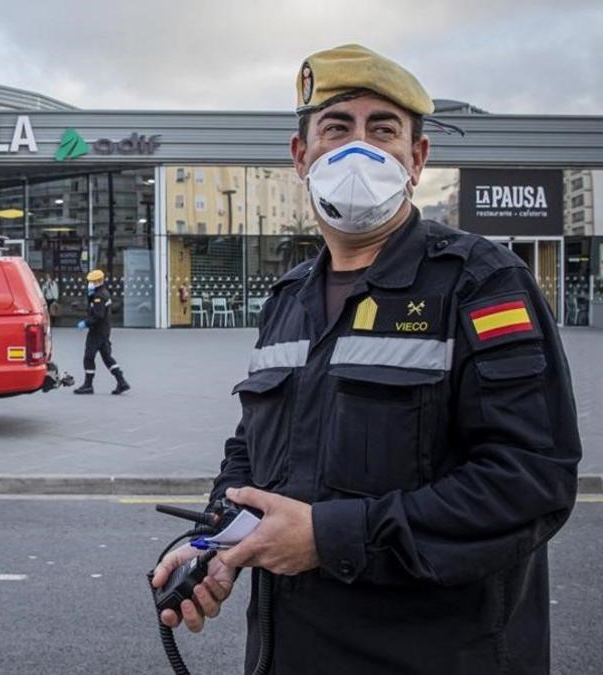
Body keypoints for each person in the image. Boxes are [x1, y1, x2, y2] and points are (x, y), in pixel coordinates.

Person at [151, 44, 580, 674]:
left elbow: (531, 480)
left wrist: (329, 538)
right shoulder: (289, 298)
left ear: (417, 157)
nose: (359, 148)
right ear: (301, 157)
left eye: (383, 129)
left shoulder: (482, 282)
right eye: (336, 127)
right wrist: (217, 540)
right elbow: (256, 448)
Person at [73, 269, 130, 395]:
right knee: (107, 357)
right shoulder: (103, 293)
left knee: (88, 357)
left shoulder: (99, 296)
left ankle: (88, 385)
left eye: (92, 281)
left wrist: (86, 323)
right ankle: (122, 382)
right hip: (104, 331)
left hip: (97, 332)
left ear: (99, 281)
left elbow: (98, 315)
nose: (90, 283)